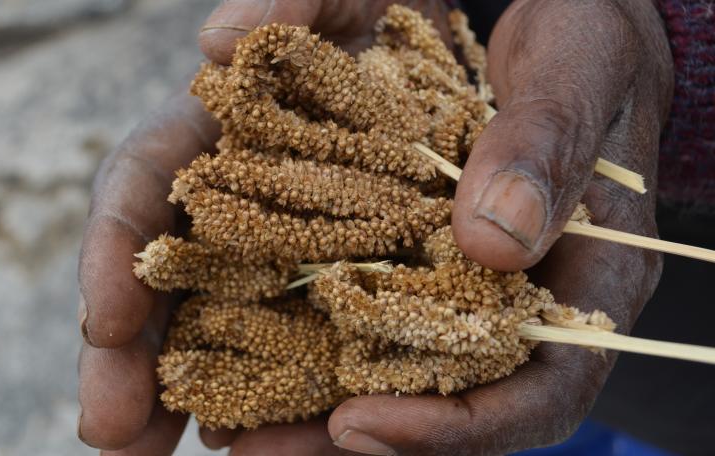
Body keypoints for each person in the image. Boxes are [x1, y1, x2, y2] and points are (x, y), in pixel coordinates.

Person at [75, 0, 715, 454]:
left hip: (646, 276)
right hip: (515, 83)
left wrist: (656, 34)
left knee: (609, 382)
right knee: (530, 410)